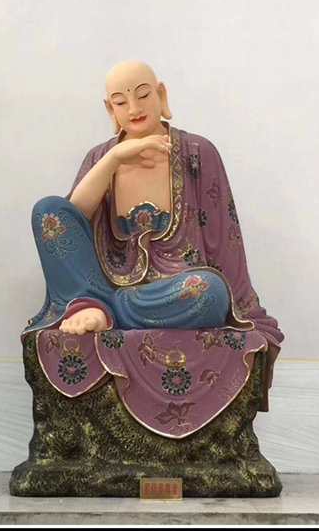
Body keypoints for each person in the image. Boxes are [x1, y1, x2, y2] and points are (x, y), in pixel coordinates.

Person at [22, 61, 284, 430]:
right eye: (120, 101)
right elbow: (73, 218)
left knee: (208, 291)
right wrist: (115, 159)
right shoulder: (101, 157)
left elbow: (225, 236)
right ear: (110, 110)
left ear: (161, 94)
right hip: (104, 282)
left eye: (143, 95)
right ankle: (93, 303)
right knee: (47, 211)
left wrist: (236, 303)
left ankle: (107, 311)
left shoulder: (197, 152)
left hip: (173, 289)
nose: (134, 108)